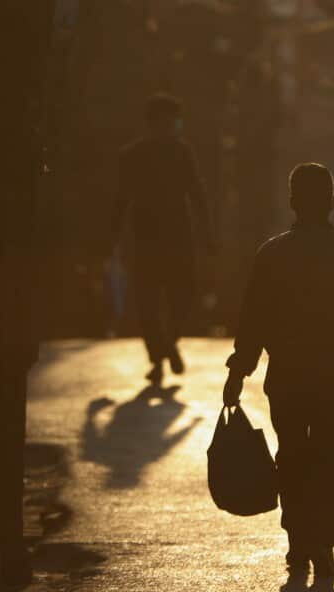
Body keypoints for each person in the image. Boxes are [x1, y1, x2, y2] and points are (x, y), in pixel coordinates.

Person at [222, 163, 334, 588]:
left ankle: (299, 543)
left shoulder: (273, 254)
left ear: (293, 203)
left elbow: (253, 323)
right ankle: (324, 546)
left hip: (288, 378)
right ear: (333, 203)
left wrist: (239, 372)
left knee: (294, 458)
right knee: (333, 463)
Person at [110, 93, 214, 385]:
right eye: (170, 120)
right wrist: (111, 238)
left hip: (173, 237)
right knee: (149, 303)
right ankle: (159, 355)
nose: (173, 126)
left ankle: (166, 345)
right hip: (149, 238)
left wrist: (206, 234)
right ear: (156, 122)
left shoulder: (181, 153)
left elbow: (197, 193)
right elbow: (120, 199)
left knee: (182, 296)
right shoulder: (135, 155)